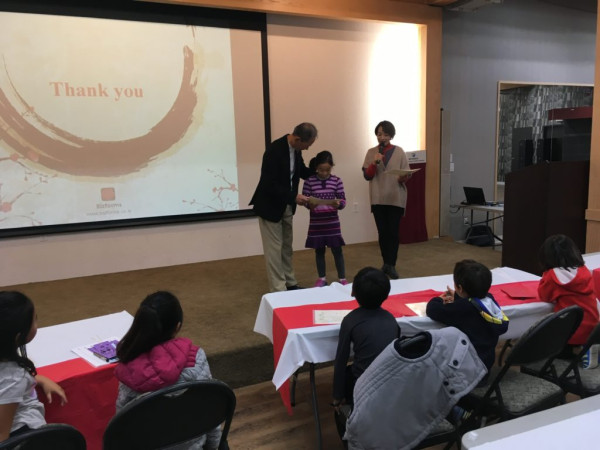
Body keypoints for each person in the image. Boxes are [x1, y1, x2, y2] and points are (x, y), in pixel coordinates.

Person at [114, 291, 220, 450]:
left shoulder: (129, 369)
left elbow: (120, 428)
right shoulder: (197, 357)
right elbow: (210, 409)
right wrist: (215, 445)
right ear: (177, 326)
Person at [250, 123, 317, 292]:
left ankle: (290, 283)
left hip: (286, 205)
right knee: (274, 250)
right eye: (307, 145)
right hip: (269, 207)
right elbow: (269, 184)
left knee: (286, 247)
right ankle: (279, 289)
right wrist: (294, 196)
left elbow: (301, 171)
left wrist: (321, 174)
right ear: (298, 139)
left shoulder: (296, 149)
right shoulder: (274, 150)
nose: (307, 148)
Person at [0, 291, 67, 442]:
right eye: (34, 319)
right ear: (18, 337)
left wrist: (38, 379)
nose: (37, 322)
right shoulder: (14, 378)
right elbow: (1, 434)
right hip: (24, 437)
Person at [332, 267, 400, 408]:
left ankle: (347, 407)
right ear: (386, 295)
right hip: (391, 381)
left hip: (362, 384)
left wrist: (337, 395)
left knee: (348, 373)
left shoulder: (350, 320)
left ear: (353, 293)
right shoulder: (391, 319)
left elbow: (341, 360)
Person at [426, 260, 508, 375]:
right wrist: (458, 295)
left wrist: (438, 299)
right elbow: (471, 302)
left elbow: (432, 309)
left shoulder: (464, 307)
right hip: (484, 367)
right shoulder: (489, 299)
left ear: (460, 288)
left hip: (464, 374)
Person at [362, 120, 412, 280]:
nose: (382, 137)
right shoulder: (371, 152)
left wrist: (403, 177)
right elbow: (367, 175)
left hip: (395, 197)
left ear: (391, 136)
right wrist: (374, 162)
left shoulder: (399, 151)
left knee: (393, 232)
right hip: (378, 198)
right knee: (383, 233)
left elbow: (406, 174)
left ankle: (392, 264)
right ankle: (386, 263)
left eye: (385, 134)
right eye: (379, 134)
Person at [538, 234, 600, 351]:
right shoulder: (584, 270)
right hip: (593, 330)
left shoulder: (552, 276)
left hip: (570, 333)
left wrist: (545, 274)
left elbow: (544, 296)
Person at [302, 150, 347, 287]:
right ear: (316, 167)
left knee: (337, 250)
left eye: (327, 170)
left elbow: (343, 200)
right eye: (321, 170)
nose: (324, 173)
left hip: (332, 222)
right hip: (317, 223)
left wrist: (339, 204)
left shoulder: (337, 181)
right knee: (319, 251)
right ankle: (322, 278)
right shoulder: (309, 181)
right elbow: (305, 201)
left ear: (331, 167)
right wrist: (310, 204)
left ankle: (342, 278)